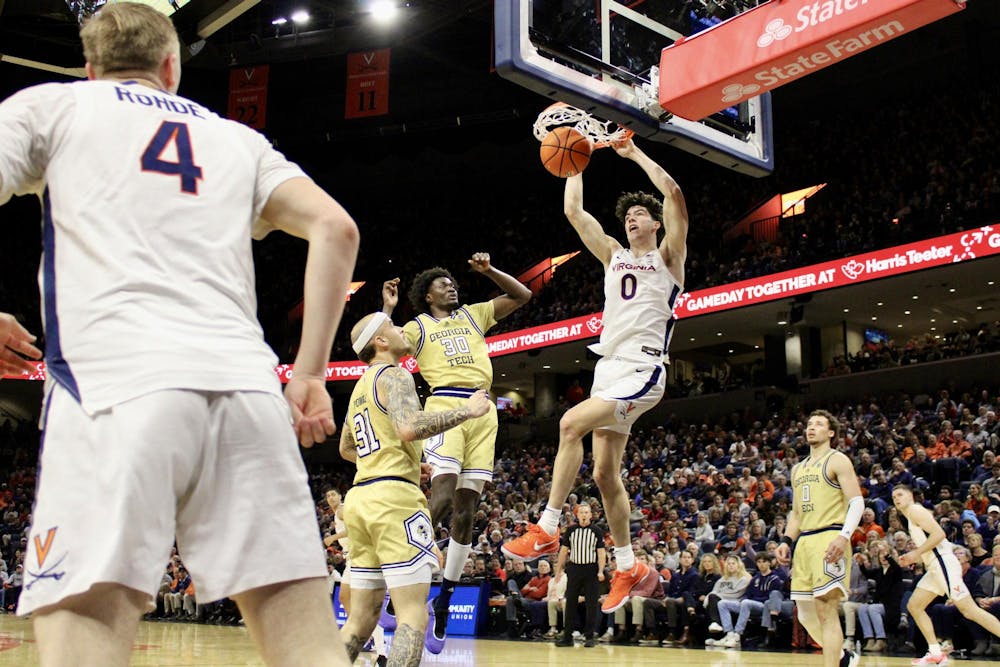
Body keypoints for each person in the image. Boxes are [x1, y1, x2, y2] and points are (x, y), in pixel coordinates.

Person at [0, 5, 360, 666]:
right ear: (172, 66)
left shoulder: (51, 107)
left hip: (115, 384)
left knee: (85, 615)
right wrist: (308, 372)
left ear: (90, 68)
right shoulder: (236, 138)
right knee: (307, 642)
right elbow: (337, 229)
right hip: (248, 394)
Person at [503, 138, 688, 616]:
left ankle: (546, 528)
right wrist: (577, 158)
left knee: (569, 424)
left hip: (645, 367)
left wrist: (634, 156)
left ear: (654, 223)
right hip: (610, 367)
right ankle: (628, 566)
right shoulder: (612, 253)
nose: (631, 220)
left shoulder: (668, 258)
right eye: (627, 216)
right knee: (605, 474)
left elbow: (674, 193)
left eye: (639, 215)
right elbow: (573, 210)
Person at [381, 252, 531, 652]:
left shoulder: (474, 314)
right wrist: (387, 309)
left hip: (484, 412)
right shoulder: (419, 326)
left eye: (453, 281)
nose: (452, 285)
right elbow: (383, 346)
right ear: (427, 295)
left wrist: (490, 270)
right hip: (445, 407)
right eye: (442, 283)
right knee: (443, 497)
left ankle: (444, 598)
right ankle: (401, 574)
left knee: (467, 513)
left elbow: (522, 294)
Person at [337, 312, 491, 665]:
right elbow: (409, 427)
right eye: (391, 327)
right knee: (413, 615)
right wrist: (466, 411)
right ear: (381, 341)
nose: (399, 328)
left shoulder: (361, 386)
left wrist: (399, 457)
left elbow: (347, 446)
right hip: (394, 500)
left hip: (360, 498)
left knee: (360, 621)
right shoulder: (394, 374)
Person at [775, 410, 864, 667]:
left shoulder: (838, 460)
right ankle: (843, 658)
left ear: (831, 432)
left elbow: (857, 502)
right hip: (805, 542)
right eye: (809, 424)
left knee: (826, 610)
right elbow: (797, 514)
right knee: (804, 613)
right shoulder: (798, 468)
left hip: (829, 536)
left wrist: (844, 536)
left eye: (819, 424)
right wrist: (786, 541)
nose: (812, 428)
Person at [892, 484, 1000, 665]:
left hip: (943, 565)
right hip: (935, 567)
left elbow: (939, 534)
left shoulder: (916, 510)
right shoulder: (911, 516)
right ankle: (935, 652)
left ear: (911, 496)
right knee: (915, 606)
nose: (896, 498)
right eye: (894, 496)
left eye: (900, 494)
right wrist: (914, 557)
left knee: (970, 611)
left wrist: (916, 554)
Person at [323, 489, 386, 665]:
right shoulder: (338, 512)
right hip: (351, 556)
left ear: (340, 497)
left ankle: (376, 645)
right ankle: (365, 632)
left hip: (358, 556)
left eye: (333, 494)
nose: (331, 498)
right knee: (344, 598)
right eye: (328, 496)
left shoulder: (342, 510)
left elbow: (353, 529)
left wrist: (332, 537)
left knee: (357, 605)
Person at [553, 503, 607, 647]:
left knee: (591, 604)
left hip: (591, 569)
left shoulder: (596, 530)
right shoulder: (571, 530)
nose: (584, 515)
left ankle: (589, 637)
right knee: (570, 603)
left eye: (586, 512)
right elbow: (563, 552)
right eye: (581, 512)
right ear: (577, 515)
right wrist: (558, 571)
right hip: (574, 569)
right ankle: (567, 637)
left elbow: (601, 553)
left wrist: (601, 570)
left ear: (590, 515)